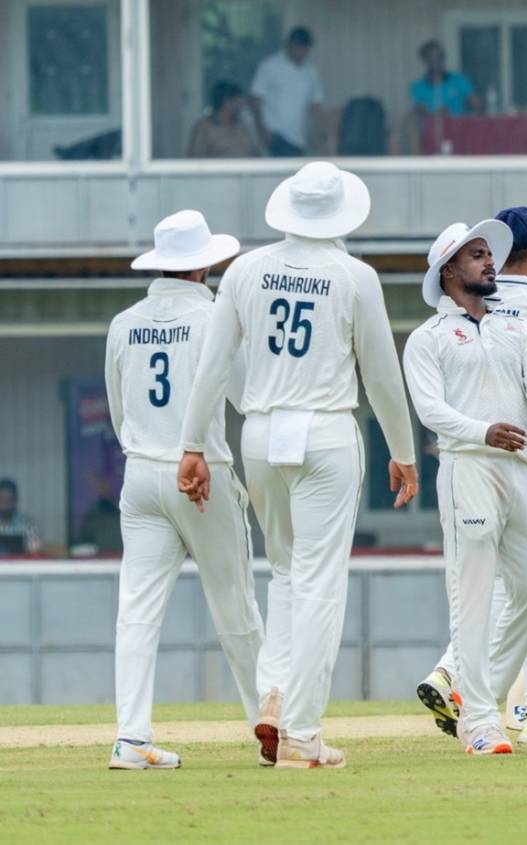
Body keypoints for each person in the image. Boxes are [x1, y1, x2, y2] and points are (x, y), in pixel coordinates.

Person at [178, 162, 419, 768]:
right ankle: (303, 733)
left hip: (259, 433)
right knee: (319, 582)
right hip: (326, 431)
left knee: (284, 574)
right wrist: (404, 451)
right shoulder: (354, 276)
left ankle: (276, 693)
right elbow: (383, 376)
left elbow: (212, 367)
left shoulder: (244, 270)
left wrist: (193, 445)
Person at [416, 205, 527, 745]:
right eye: (477, 254)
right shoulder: (428, 337)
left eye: (491, 252)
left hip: (525, 466)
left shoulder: (516, 325)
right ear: (450, 270)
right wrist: (482, 431)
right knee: (472, 595)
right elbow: (429, 410)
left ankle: (475, 693)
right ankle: (481, 721)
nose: (490, 261)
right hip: (469, 466)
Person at [104, 210, 264, 770]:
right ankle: (269, 725)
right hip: (202, 474)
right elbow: (246, 396)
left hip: (141, 472)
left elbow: (119, 409)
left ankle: (130, 738)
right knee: (235, 605)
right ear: (205, 264)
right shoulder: (217, 315)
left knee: (137, 612)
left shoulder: (124, 322)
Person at [250, 27, 325, 157]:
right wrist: (261, 130)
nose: (302, 51)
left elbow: (315, 106)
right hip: (275, 134)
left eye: (305, 48)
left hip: (299, 138)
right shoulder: (270, 66)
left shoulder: (311, 73)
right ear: (289, 45)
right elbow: (255, 99)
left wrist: (322, 133)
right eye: (298, 46)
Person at [188, 81, 259, 158]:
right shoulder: (204, 128)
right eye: (237, 99)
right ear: (226, 102)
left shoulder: (243, 126)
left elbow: (256, 153)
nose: (242, 104)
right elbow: (195, 159)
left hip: (248, 169)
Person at [410, 41, 481, 116]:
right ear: (424, 60)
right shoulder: (417, 87)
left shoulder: (460, 80)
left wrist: (467, 118)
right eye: (431, 58)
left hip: (458, 126)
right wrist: (439, 114)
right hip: (431, 126)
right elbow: (422, 113)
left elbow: (477, 106)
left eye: (439, 57)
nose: (436, 62)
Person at [0, 480, 40, 555]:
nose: (5, 504)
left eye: (9, 500)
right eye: (2, 500)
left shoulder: (29, 523)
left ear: (15, 500)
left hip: (21, 565)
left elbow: (34, 550)